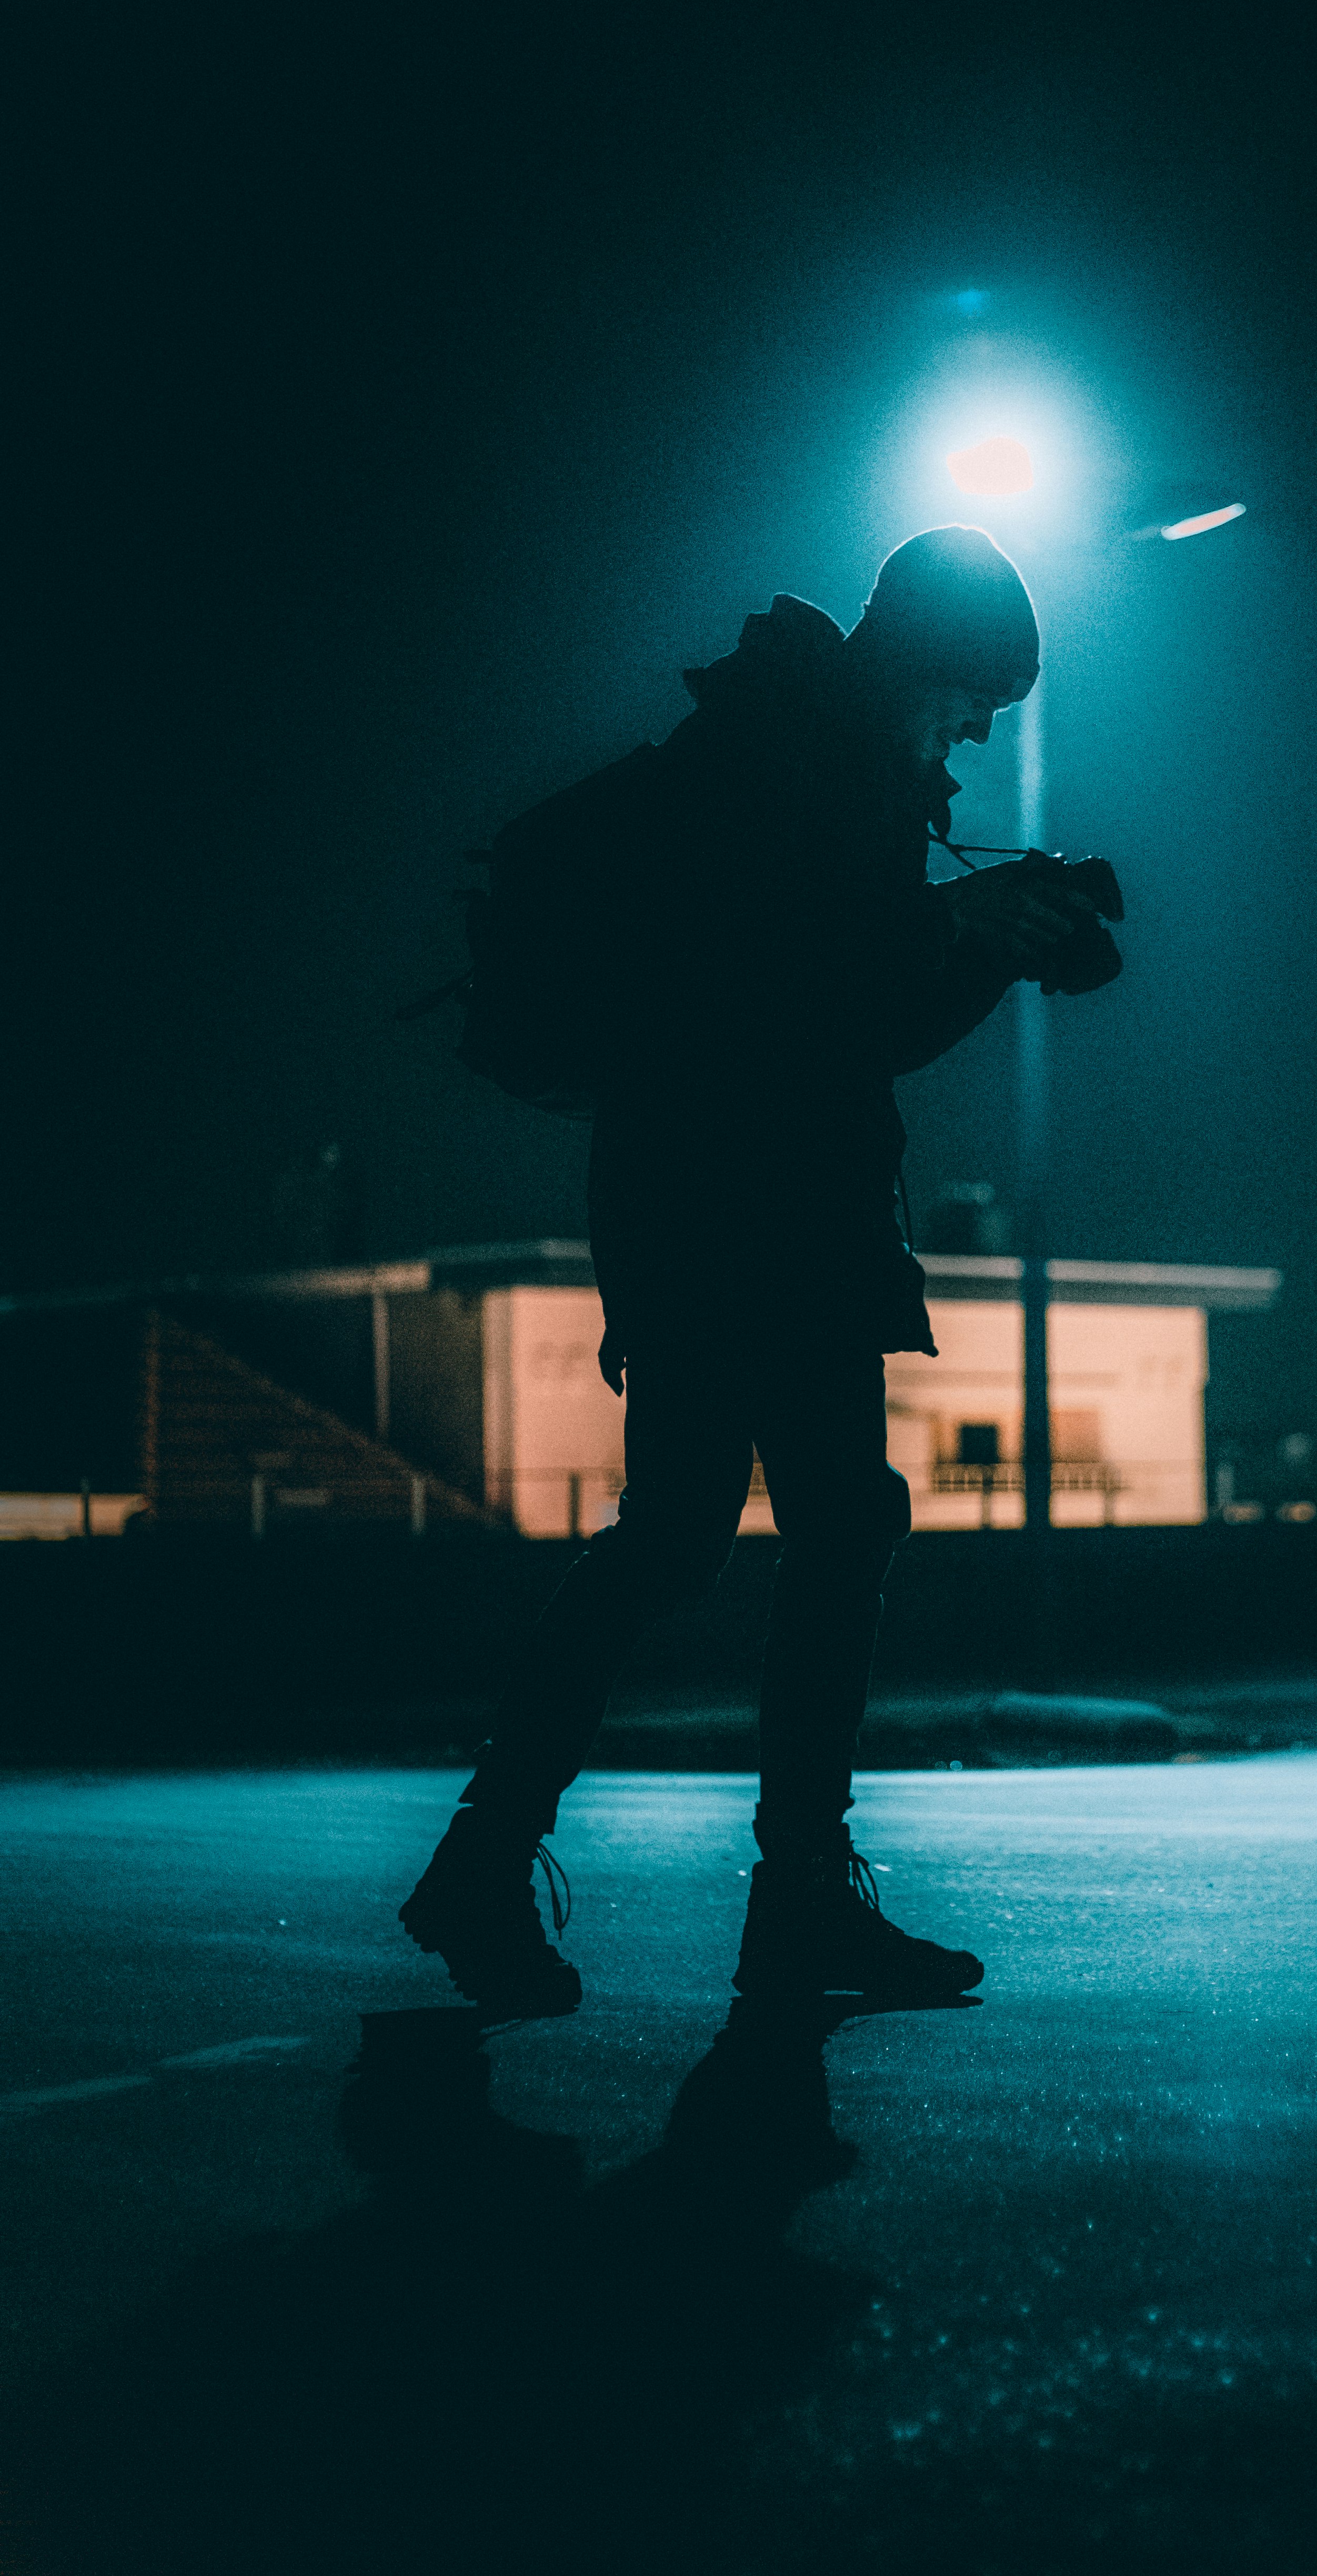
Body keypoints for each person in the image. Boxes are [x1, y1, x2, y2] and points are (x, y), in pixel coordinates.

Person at [398, 525, 1103, 2015]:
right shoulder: (786, 755)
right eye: (977, 700)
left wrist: (985, 942)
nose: (976, 734)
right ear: (930, 658)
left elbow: (863, 1017)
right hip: (742, 1200)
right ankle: (778, 1903)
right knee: (804, 1526)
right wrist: (950, 924)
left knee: (695, 1534)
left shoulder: (828, 757)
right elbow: (767, 989)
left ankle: (507, 1866)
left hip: (734, 1196)